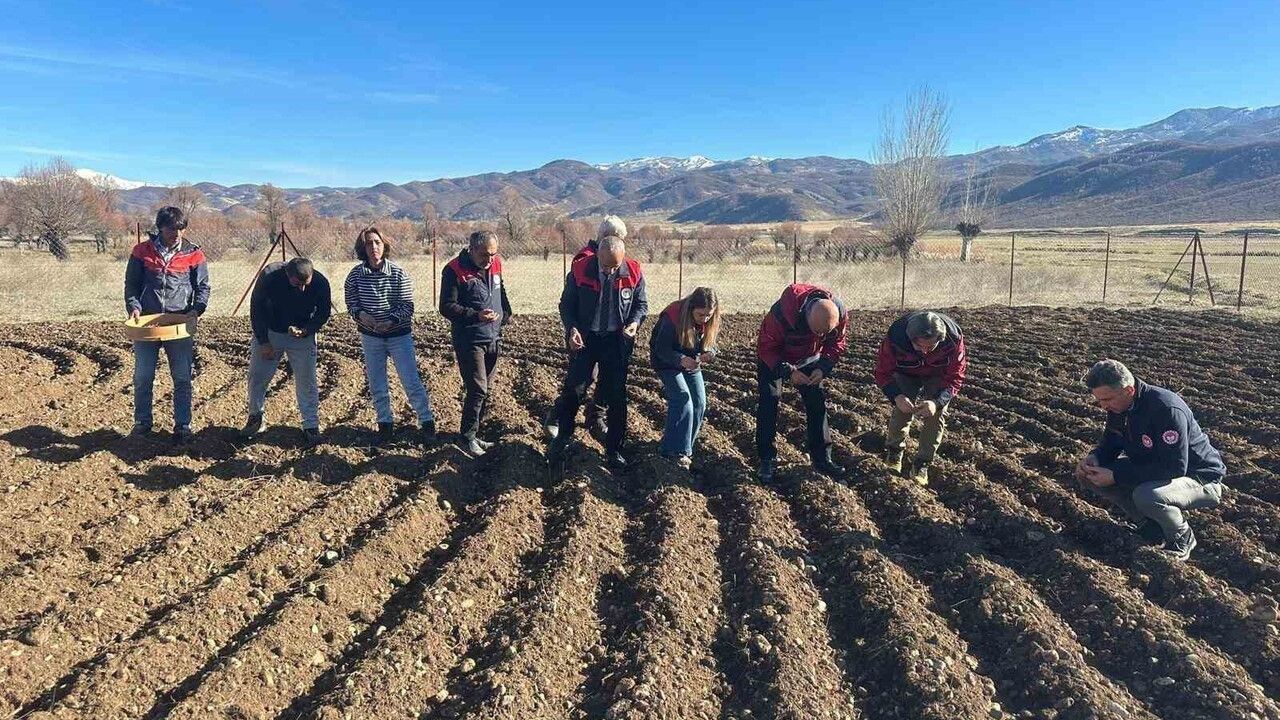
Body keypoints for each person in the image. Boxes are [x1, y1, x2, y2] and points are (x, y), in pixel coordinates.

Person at [1075, 359, 1226, 561]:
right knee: (1087, 474)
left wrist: (1116, 475)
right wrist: (1095, 457)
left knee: (1147, 495)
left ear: (1128, 390)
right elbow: (1111, 442)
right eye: (1099, 400)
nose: (1103, 406)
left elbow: (1174, 467)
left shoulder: (1165, 409)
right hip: (1153, 468)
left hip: (1199, 478)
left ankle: (1181, 536)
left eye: (1107, 399)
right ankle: (1150, 527)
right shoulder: (1119, 408)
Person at [547, 234, 648, 472]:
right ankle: (561, 440)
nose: (610, 271)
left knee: (617, 396)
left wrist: (635, 322)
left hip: (616, 339)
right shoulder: (580, 269)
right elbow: (566, 305)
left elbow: (641, 304)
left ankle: (614, 450)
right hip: (587, 338)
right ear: (597, 256)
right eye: (605, 266)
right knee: (574, 390)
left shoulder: (633, 272)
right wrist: (572, 328)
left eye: (615, 267)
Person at [124, 206, 210, 444]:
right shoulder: (142, 251)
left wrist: (196, 310)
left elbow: (203, 287)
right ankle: (142, 424)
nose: (177, 234)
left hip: (179, 324)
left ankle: (183, 425)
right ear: (160, 227)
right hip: (147, 323)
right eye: (172, 229)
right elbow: (131, 284)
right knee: (143, 376)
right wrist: (134, 307)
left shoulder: (194, 254)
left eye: (181, 229)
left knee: (182, 377)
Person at [344, 226, 436, 444]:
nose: (373, 247)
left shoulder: (397, 273)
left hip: (398, 336)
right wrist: (362, 316)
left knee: (410, 380)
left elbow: (407, 305)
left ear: (384, 245)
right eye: (368, 243)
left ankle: (426, 421)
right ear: (362, 248)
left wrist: (390, 321)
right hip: (370, 336)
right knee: (377, 382)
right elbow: (352, 303)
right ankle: (384, 423)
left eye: (377, 242)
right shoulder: (355, 275)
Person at [544, 215, 627, 442]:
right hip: (585, 334)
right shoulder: (584, 260)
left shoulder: (617, 259)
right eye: (619, 238)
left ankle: (595, 417)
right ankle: (557, 416)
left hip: (610, 335)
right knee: (582, 380)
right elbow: (570, 301)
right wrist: (573, 329)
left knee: (606, 380)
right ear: (606, 237)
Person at [755, 283, 848, 482]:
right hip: (776, 358)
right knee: (769, 400)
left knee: (816, 402)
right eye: (817, 331)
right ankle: (766, 459)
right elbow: (766, 348)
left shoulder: (838, 312)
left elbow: (837, 343)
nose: (821, 337)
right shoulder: (780, 315)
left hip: (809, 358)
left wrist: (823, 367)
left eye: (824, 334)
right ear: (806, 316)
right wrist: (789, 372)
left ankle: (822, 458)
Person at [241, 257, 331, 445]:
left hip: (302, 337)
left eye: (306, 284)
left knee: (307, 380)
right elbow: (256, 309)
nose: (302, 289)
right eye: (297, 284)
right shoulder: (270, 276)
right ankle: (255, 417)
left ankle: (311, 425)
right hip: (271, 332)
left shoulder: (320, 283)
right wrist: (263, 341)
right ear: (287, 274)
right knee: (257, 377)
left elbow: (323, 313)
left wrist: (307, 330)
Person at [440, 230, 513, 456]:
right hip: (469, 339)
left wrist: (507, 314)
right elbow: (446, 306)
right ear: (471, 250)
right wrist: (475, 315)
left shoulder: (496, 264)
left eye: (493, 254)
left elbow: (500, 291)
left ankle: (476, 433)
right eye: (484, 255)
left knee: (486, 389)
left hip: (493, 337)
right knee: (477, 389)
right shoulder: (454, 270)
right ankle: (467, 437)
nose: (489, 259)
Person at [873, 310, 967, 486]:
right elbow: (882, 372)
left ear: (940, 340)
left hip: (937, 374)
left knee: (936, 414)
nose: (924, 351)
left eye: (930, 347)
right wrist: (897, 396)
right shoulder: (896, 338)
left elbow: (955, 377)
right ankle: (894, 452)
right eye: (919, 346)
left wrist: (936, 402)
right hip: (905, 372)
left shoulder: (953, 339)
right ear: (911, 339)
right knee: (902, 410)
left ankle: (922, 463)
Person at [650, 287, 720, 470]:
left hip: (692, 363)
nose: (704, 319)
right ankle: (675, 452)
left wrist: (710, 352)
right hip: (667, 362)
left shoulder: (710, 320)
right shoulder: (673, 316)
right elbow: (660, 348)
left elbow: (712, 345)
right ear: (691, 309)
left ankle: (684, 446)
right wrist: (680, 359)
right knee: (682, 399)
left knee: (699, 402)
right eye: (700, 315)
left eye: (708, 315)